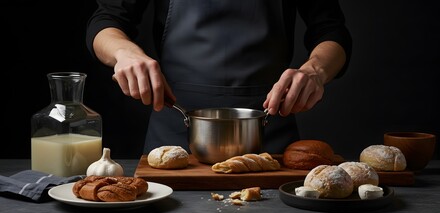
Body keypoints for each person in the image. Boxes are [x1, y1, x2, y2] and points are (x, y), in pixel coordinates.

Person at [85, 0, 352, 155]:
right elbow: (106, 21)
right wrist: (125, 52)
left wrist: (314, 71)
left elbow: (332, 32)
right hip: (176, 133)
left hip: (270, 131)